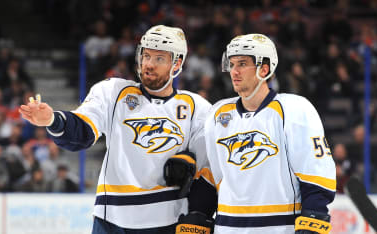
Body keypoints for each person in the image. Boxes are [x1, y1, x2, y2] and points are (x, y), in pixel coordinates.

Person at [19, 25, 217, 233]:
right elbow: (82, 132)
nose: (148, 64)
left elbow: (209, 172)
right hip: (112, 220)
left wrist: (199, 213)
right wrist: (53, 120)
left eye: (159, 59)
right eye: (146, 55)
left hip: (167, 221)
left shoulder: (198, 109)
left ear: (176, 64)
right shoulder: (112, 92)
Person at [204, 34, 336, 233]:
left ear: (264, 69)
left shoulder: (294, 109)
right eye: (231, 64)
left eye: (242, 63)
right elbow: (214, 177)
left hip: (279, 228)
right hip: (227, 227)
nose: (234, 71)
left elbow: (316, 176)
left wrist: (313, 220)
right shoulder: (218, 113)